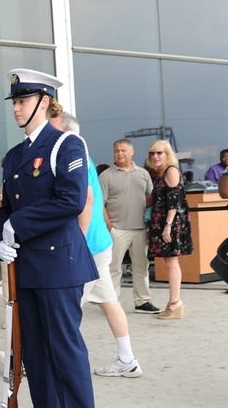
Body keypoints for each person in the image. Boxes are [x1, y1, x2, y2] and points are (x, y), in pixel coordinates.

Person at [0, 68, 99, 408]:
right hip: (28, 265)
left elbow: (71, 201)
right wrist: (4, 233)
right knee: (34, 350)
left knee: (65, 350)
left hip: (60, 264)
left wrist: (15, 225)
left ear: (44, 102)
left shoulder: (66, 145)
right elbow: (9, 201)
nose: (17, 108)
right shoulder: (16, 154)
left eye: (23, 100)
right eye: (15, 101)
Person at [52, 113, 142, 378]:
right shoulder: (81, 155)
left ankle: (30, 360)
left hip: (87, 247)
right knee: (108, 300)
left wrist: (76, 244)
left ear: (67, 132)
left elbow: (87, 200)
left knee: (63, 310)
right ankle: (127, 359)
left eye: (52, 128)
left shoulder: (73, 155)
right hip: (98, 245)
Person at [98, 139, 158, 313]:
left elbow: (151, 198)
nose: (119, 153)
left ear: (132, 152)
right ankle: (112, 302)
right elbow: (100, 205)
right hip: (117, 229)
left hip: (140, 228)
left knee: (141, 267)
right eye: (116, 151)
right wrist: (110, 227)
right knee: (114, 268)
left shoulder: (143, 174)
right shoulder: (106, 175)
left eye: (123, 150)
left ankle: (142, 302)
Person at [145, 139, 193, 319]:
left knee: (172, 264)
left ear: (168, 154)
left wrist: (168, 226)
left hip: (169, 223)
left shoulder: (171, 171)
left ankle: (175, 303)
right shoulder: (163, 173)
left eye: (159, 153)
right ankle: (174, 303)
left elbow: (174, 202)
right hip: (164, 222)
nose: (155, 156)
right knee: (169, 263)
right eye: (152, 153)